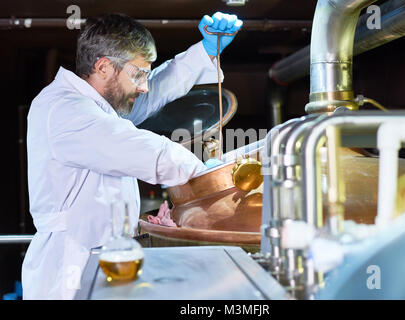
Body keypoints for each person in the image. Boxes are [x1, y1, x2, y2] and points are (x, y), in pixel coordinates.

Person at [22, 12, 242, 300]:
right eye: (138, 74)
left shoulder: (99, 106)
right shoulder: (64, 108)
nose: (144, 85)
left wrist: (205, 51)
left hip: (102, 256)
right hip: (70, 269)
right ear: (103, 67)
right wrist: (205, 174)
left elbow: (157, 89)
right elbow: (141, 148)